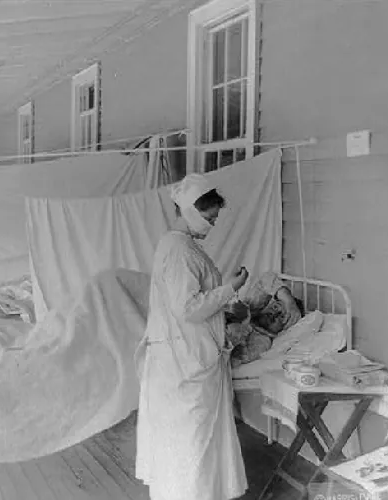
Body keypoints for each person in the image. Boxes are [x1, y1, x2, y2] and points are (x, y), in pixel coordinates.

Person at [135, 173, 249, 500]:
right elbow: (187, 308)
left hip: (182, 352)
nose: (212, 226)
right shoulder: (179, 249)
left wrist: (223, 308)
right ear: (191, 211)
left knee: (190, 442)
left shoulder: (181, 245)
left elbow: (188, 304)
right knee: (190, 442)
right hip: (184, 360)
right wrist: (230, 288)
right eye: (209, 219)